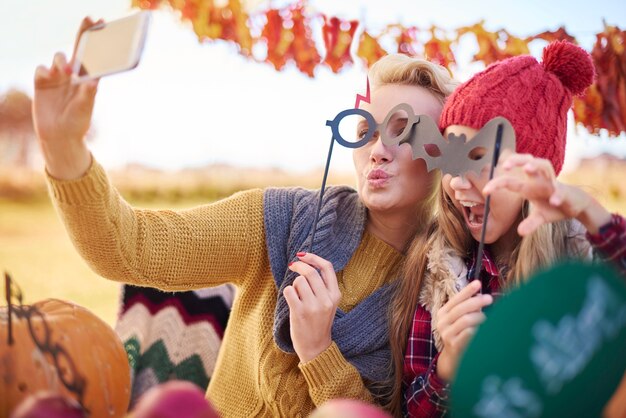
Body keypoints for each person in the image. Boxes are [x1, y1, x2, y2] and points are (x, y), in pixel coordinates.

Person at [32, 18, 458, 418]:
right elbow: (130, 248)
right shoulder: (283, 218)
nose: (377, 149)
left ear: (443, 154)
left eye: (404, 130)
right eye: (365, 127)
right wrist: (63, 147)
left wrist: (317, 351)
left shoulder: (441, 290)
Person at [386, 40, 626, 417]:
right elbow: (411, 408)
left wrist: (589, 211)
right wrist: (448, 366)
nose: (459, 181)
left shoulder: (586, 257)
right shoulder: (439, 274)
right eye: (451, 156)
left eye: (479, 158)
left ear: (534, 168)